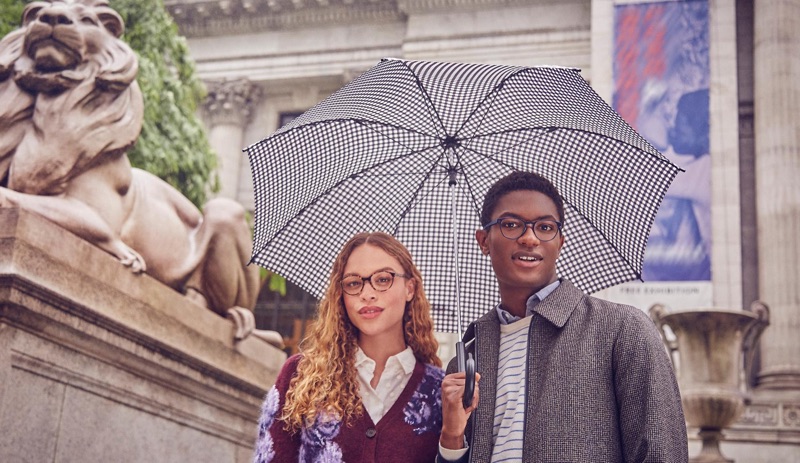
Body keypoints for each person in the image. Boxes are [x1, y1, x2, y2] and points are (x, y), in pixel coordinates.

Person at [437, 171, 689, 462]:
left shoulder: (622, 329)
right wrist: (452, 436)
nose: (530, 238)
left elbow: (661, 452)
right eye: (511, 224)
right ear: (484, 241)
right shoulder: (466, 359)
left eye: (545, 227)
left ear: (560, 242)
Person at [253, 232, 445, 463]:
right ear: (341, 294)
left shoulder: (440, 392)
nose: (367, 294)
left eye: (383, 279)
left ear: (410, 288)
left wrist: (453, 435)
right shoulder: (300, 376)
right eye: (354, 283)